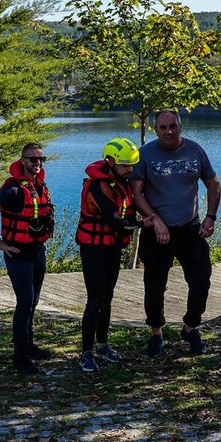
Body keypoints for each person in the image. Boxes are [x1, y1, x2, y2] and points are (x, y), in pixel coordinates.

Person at [131, 109, 221, 356]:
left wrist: (210, 217)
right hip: (158, 231)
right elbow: (136, 192)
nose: (168, 131)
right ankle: (156, 333)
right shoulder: (145, 154)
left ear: (180, 127)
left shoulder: (195, 150)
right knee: (155, 284)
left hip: (190, 228)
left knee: (201, 279)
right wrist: (154, 219)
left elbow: (213, 183)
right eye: (163, 127)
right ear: (155, 129)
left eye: (173, 126)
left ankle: (191, 327)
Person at [0, 143, 56, 373]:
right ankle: (20, 357)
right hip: (18, 254)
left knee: (33, 302)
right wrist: (0, 244)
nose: (38, 163)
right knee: (24, 303)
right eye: (33, 159)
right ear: (22, 161)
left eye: (41, 159)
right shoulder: (13, 189)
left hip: (37, 251)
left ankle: (29, 346)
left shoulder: (40, 186)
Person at [75, 137, 144, 372]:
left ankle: (102, 345)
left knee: (107, 298)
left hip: (111, 248)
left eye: (131, 165)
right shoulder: (97, 185)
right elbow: (113, 220)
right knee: (94, 300)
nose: (130, 170)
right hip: (93, 249)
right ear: (111, 161)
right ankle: (86, 352)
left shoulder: (120, 181)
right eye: (126, 165)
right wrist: (143, 224)